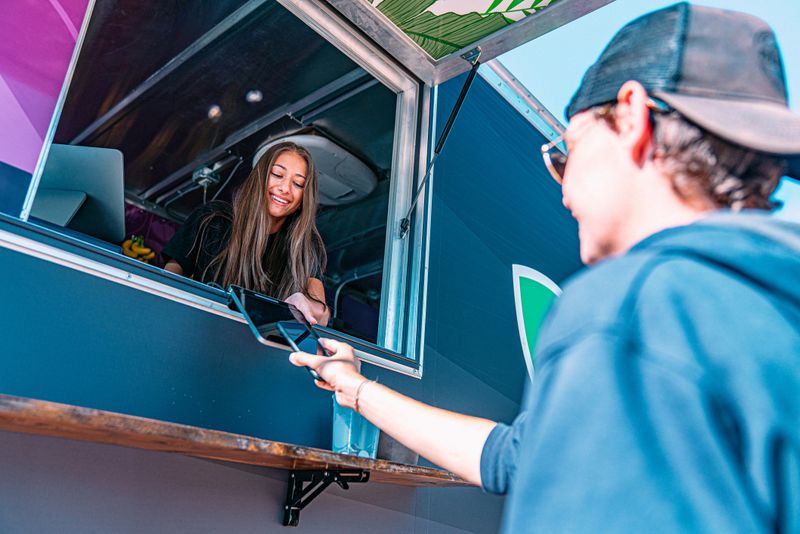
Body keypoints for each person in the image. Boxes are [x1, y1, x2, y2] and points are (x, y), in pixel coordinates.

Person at [290, 3, 800, 532]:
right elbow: (517, 455)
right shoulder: (767, 300)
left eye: (568, 152)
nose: (564, 191)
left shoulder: (635, 305)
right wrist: (354, 387)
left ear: (632, 118)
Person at [164, 141, 329, 325]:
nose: (285, 188)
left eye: (298, 184)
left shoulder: (305, 245)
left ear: (303, 198)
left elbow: (321, 314)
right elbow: (169, 280)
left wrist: (303, 301)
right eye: (277, 174)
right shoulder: (212, 218)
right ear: (260, 177)